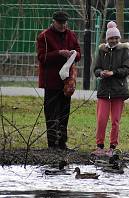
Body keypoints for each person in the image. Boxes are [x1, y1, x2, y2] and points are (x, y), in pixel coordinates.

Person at [36, 11, 81, 150]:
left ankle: (62, 143)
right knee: (51, 113)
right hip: (51, 81)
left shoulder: (71, 35)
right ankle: (52, 144)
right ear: (54, 21)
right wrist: (59, 53)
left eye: (64, 23)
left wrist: (74, 54)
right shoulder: (44, 36)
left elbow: (79, 54)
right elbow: (41, 57)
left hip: (66, 82)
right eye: (60, 23)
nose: (63, 25)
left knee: (64, 113)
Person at [91, 21, 129, 157]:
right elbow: (95, 68)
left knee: (115, 121)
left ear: (118, 38)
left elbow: (127, 69)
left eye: (116, 38)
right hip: (103, 91)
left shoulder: (124, 51)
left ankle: (113, 146)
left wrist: (113, 73)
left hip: (118, 92)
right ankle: (100, 146)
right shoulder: (102, 51)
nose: (113, 40)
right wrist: (100, 73)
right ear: (107, 39)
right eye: (111, 38)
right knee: (101, 120)